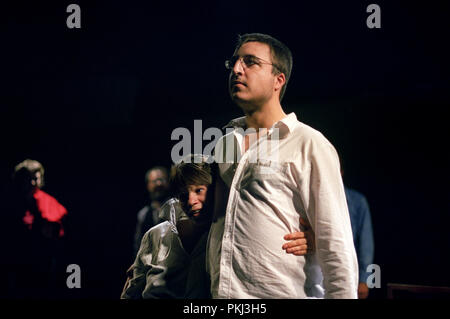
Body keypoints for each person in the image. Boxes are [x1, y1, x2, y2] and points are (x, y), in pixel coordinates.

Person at [206, 33, 358, 298]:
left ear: (279, 80)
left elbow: (336, 241)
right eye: (234, 62)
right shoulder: (224, 144)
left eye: (250, 62)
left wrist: (317, 240)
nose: (237, 69)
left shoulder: (309, 143)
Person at [121, 154, 312, 299]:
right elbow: (131, 289)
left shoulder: (226, 236)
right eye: (183, 194)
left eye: (199, 190)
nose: (191, 200)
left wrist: (310, 239)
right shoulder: (156, 235)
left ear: (214, 191)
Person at [4, 159, 68, 298]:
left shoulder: (47, 202)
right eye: (29, 179)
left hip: (42, 261)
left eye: (36, 179)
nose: (33, 183)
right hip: (16, 261)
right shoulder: (10, 203)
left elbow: (55, 229)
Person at [133, 166, 170, 258]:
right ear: (148, 185)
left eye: (162, 179)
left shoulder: (179, 208)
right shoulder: (143, 214)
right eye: (154, 181)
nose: (159, 184)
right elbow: (138, 245)